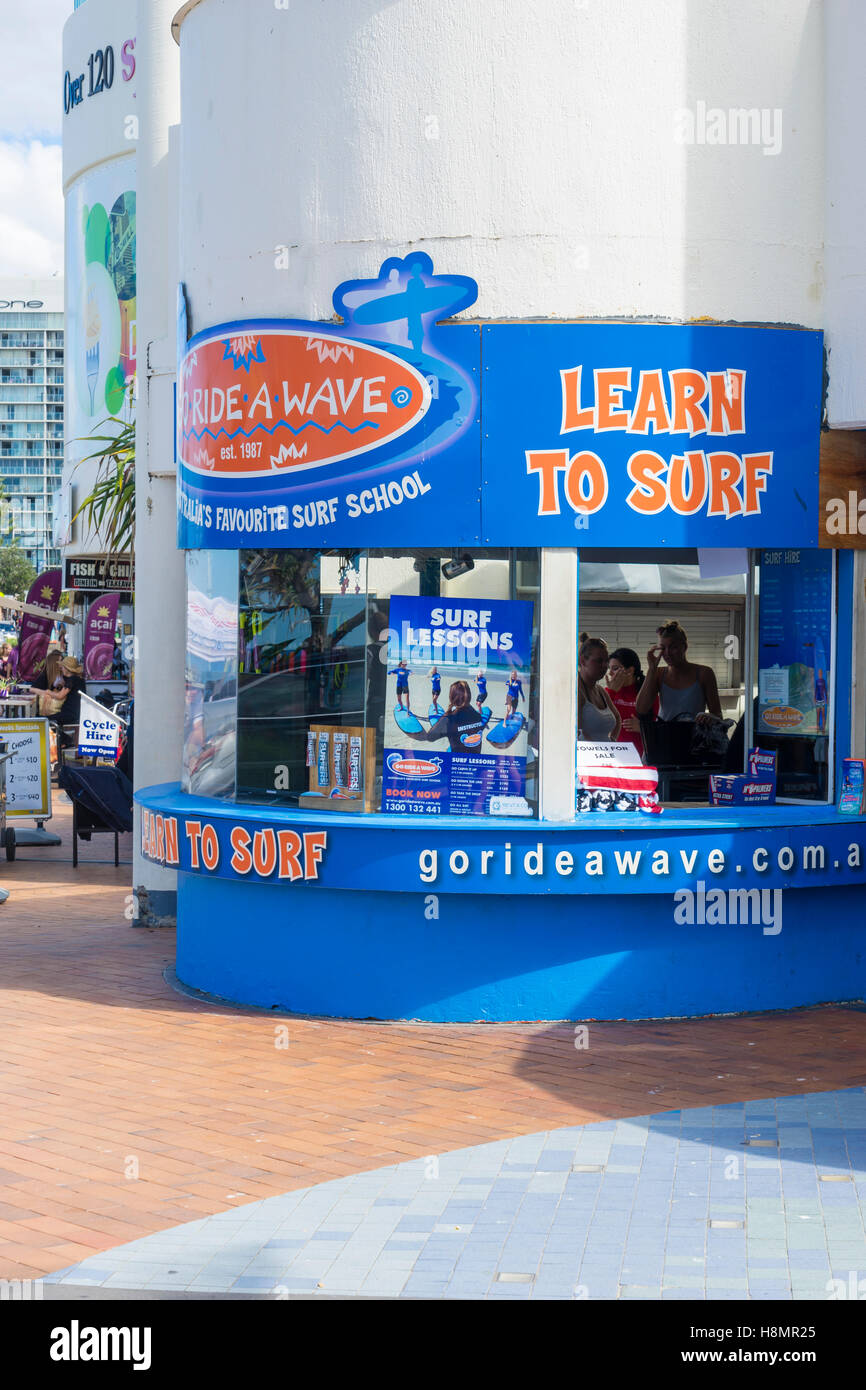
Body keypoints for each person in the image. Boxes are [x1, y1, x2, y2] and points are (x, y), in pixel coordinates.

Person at [635, 620, 722, 724]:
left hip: (694, 737)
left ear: (684, 647)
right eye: (663, 648)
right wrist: (652, 669)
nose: (667, 653)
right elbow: (641, 709)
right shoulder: (659, 673)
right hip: (666, 736)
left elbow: (718, 716)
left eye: (673, 647)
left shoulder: (704, 673)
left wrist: (708, 718)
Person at [605, 647, 657, 759]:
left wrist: (642, 728)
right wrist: (611, 691)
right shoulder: (607, 692)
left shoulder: (647, 694)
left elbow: (660, 729)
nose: (609, 673)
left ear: (630, 670)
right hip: (612, 757)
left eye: (615, 668)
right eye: (609, 668)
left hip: (640, 759)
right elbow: (596, 718)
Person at [577, 634, 621, 741]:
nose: (604, 666)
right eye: (599, 661)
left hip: (603, 756)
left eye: (606, 661)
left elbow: (618, 719)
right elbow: (576, 732)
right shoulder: (576, 690)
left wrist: (612, 743)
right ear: (583, 661)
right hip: (585, 756)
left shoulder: (601, 690)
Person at [420, 680, 484, 753]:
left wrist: (446, 714)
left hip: (456, 762)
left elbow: (430, 737)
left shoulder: (449, 719)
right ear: (469, 696)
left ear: (451, 697)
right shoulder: (477, 715)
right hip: (476, 761)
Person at [55, 655, 86, 736]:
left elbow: (60, 696)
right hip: (77, 712)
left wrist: (46, 692)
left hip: (70, 714)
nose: (61, 669)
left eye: (63, 667)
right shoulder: (79, 680)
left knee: (44, 718)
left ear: (67, 669)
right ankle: (63, 740)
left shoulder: (72, 680)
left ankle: (62, 740)